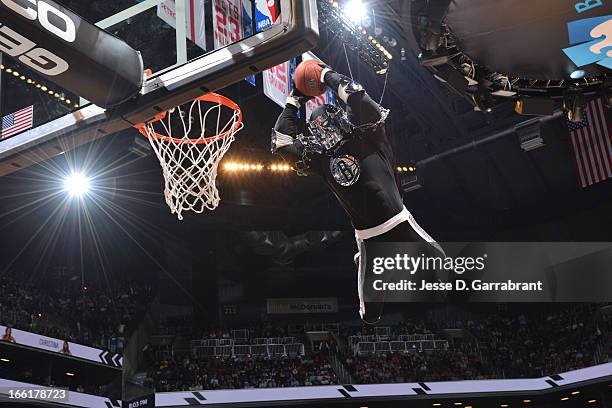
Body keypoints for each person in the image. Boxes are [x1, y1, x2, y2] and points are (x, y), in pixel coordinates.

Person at [271, 64, 444, 324]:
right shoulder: (320, 158)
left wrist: (324, 74)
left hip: (398, 221)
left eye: (327, 122)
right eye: (319, 128)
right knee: (370, 316)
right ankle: (366, 259)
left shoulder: (369, 133)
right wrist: (293, 99)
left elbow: (355, 93)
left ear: (339, 118)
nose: (325, 130)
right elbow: (280, 142)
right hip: (367, 237)